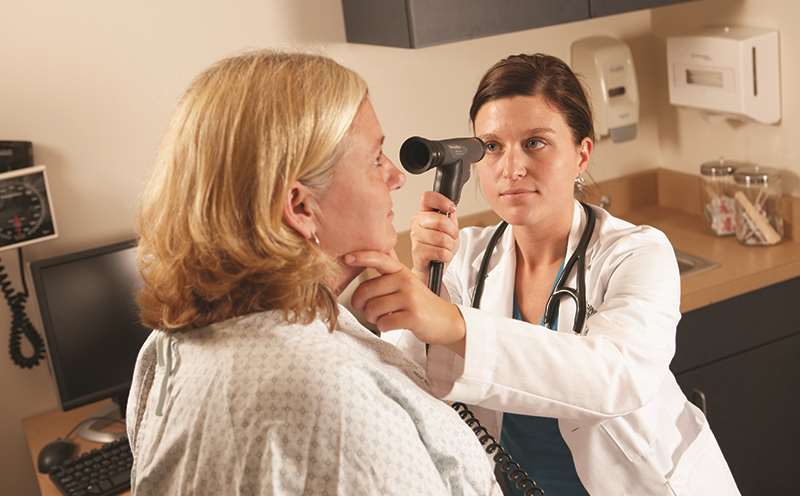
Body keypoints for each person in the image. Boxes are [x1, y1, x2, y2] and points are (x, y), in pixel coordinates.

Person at [345, 53, 740, 495]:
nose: (511, 168)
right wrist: (424, 277)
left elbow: (617, 379)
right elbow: (414, 388)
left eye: (535, 142)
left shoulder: (637, 253)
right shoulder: (464, 257)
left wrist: (453, 323)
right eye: (492, 146)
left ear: (581, 154)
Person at [126, 50, 502, 495]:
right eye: (376, 158)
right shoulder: (336, 401)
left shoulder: (171, 344)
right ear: (302, 207)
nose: (396, 177)